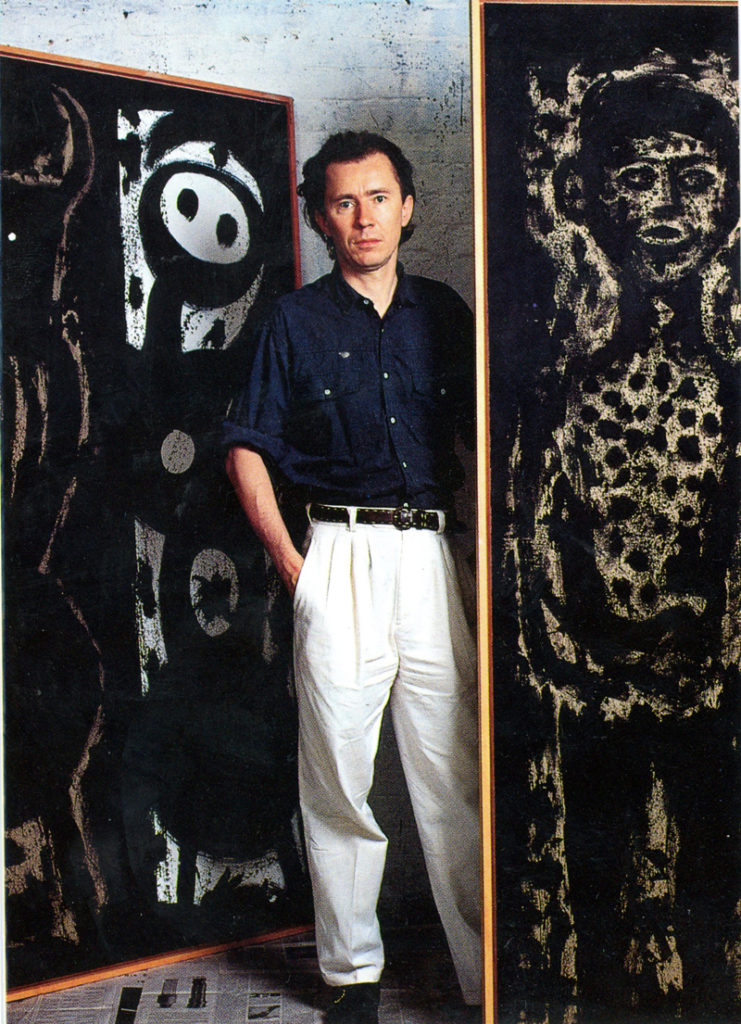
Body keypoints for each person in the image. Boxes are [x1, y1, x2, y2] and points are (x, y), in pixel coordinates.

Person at [223, 131, 481, 1024]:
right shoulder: (292, 321)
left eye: (378, 198)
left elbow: (483, 439)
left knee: (455, 771)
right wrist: (293, 563)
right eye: (343, 202)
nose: (363, 217)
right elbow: (246, 448)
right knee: (337, 774)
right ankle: (351, 978)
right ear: (320, 218)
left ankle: (483, 976)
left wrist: (479, 556)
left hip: (430, 556)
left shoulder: (442, 312)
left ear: (407, 208)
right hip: (336, 553)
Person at [504, 56, 740, 1021]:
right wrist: (566, 651)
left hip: (706, 670)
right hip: (591, 671)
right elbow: (534, 533)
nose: (667, 209)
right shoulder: (561, 378)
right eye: (638, 178)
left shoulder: (727, 376)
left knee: (714, 858)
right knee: (594, 855)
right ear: (588, 198)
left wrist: (717, 642)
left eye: (693, 179)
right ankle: (598, 995)